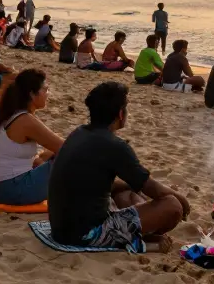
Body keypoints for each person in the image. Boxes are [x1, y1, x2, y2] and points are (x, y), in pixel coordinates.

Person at [47, 81, 189, 249]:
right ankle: (143, 240)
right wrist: (183, 202)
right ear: (121, 114)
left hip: (61, 229)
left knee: (125, 191)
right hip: (85, 235)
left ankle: (139, 233)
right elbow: (154, 189)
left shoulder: (79, 132)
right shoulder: (115, 146)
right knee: (172, 206)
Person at [0, 69, 64, 205]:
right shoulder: (25, 120)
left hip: (1, 189)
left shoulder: (13, 114)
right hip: (12, 190)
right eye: (45, 90)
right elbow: (66, 147)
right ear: (32, 94)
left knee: (47, 155)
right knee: (69, 158)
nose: (48, 94)